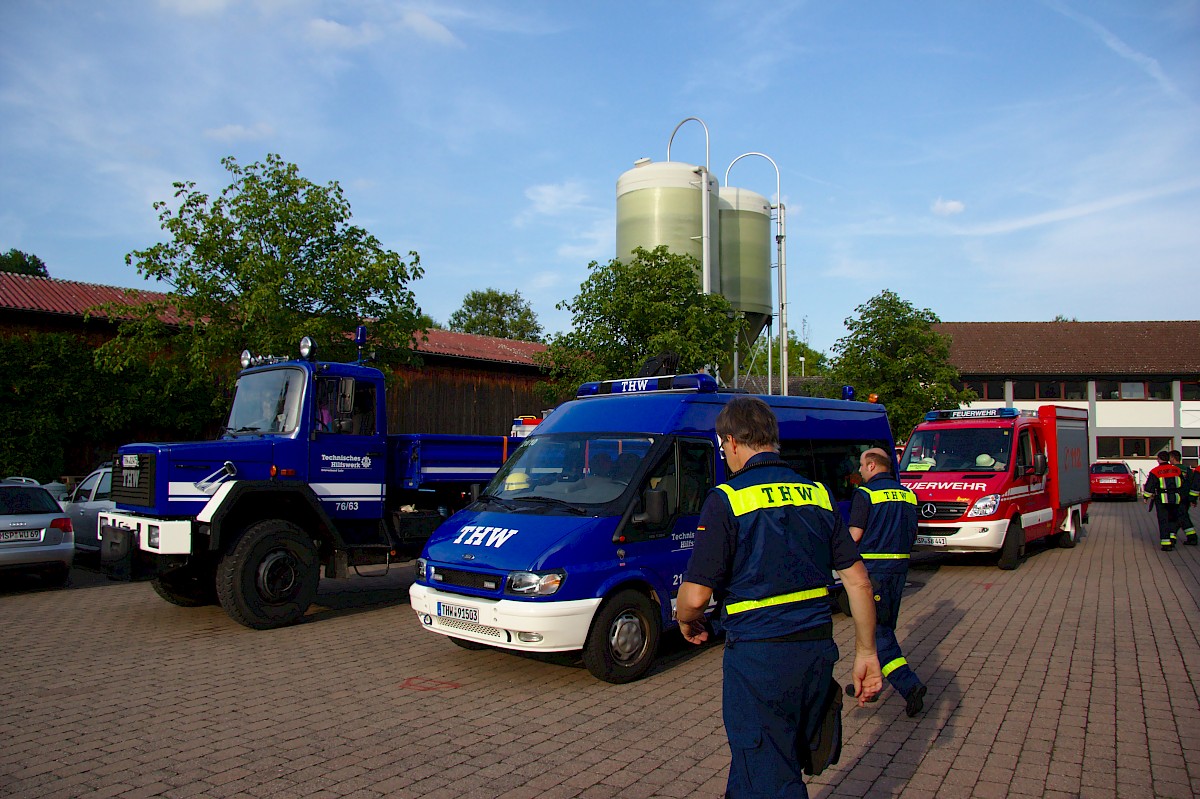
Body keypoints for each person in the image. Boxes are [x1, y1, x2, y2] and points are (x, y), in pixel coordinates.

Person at [675, 396, 882, 799]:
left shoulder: (726, 498)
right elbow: (859, 583)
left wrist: (685, 618)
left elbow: (697, 596)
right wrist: (866, 652)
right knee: (756, 766)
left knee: (773, 777)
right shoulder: (819, 494)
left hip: (760, 661)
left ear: (733, 442)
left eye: (722, 448)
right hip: (816, 654)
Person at [848, 447, 928, 717]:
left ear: (872, 466)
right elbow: (913, 532)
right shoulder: (908, 494)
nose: (859, 470)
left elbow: (855, 536)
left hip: (874, 572)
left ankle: (909, 686)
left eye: (861, 465)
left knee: (877, 634)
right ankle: (869, 685)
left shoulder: (866, 494)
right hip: (899, 570)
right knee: (883, 629)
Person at [1143, 451, 1187, 551]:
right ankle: (1172, 539)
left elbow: (1150, 486)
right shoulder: (1176, 470)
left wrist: (1146, 497)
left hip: (1162, 499)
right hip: (1175, 498)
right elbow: (1183, 483)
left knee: (1163, 520)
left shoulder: (1155, 471)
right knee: (1173, 519)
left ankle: (1166, 543)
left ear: (1158, 459)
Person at [1167, 451, 1198, 546]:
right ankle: (1174, 537)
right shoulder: (1188, 470)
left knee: (1178, 517)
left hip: (1175, 497)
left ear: (1172, 458)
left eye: (1170, 458)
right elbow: (1193, 485)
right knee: (1181, 516)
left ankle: (1191, 538)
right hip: (1186, 498)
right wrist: (1193, 499)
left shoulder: (1171, 470)